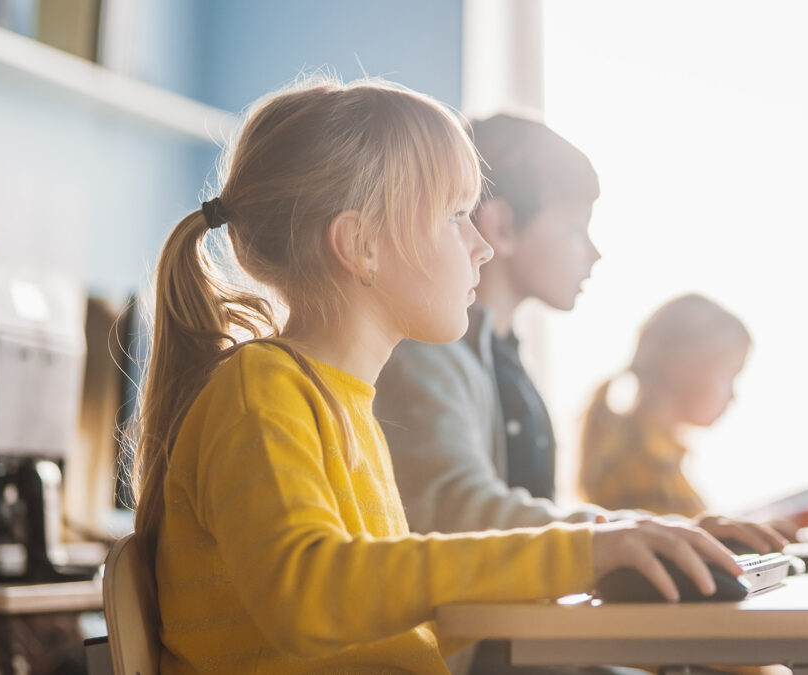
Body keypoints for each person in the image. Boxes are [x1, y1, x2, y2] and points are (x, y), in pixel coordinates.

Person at [131, 78, 742, 675]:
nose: (480, 245)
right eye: (455, 214)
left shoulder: (338, 401)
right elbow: (311, 597)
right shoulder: (262, 392)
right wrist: (580, 553)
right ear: (361, 244)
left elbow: (386, 624)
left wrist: (606, 554)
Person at [375, 114, 786, 674]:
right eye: (574, 228)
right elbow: (457, 512)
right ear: (503, 228)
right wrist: (617, 536)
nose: (592, 252)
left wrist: (656, 534)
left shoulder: (505, 360)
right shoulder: (428, 355)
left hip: (526, 642)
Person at [579, 294, 751, 516]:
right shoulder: (639, 467)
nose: (733, 395)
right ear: (683, 368)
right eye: (730, 374)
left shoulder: (658, 457)